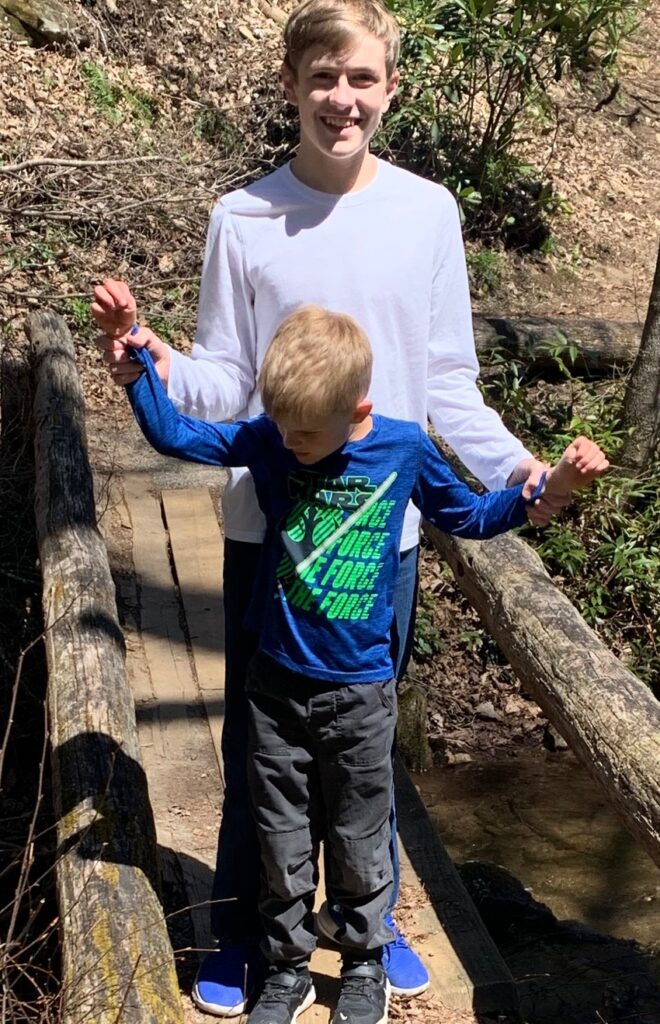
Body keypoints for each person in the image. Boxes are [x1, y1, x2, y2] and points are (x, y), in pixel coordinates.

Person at [91, 1, 572, 1015]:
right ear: (290, 85)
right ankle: (238, 931)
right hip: (266, 530)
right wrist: (159, 360)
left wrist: (518, 470)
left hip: (382, 532)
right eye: (322, 78)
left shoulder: (427, 213)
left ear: (389, 88)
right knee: (260, 745)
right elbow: (227, 379)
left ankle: (370, 923)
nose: (341, 98)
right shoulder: (243, 218)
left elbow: (447, 383)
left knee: (364, 742)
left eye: (361, 79)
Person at [118, 305, 606, 1024]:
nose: (291, 444)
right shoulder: (276, 438)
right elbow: (180, 435)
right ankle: (283, 966)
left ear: (360, 410)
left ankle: (363, 962)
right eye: (283, 428)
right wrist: (136, 369)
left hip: (360, 693)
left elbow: (469, 515)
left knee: (358, 838)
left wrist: (551, 486)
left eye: (308, 433)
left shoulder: (403, 450)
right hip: (275, 688)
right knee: (280, 841)